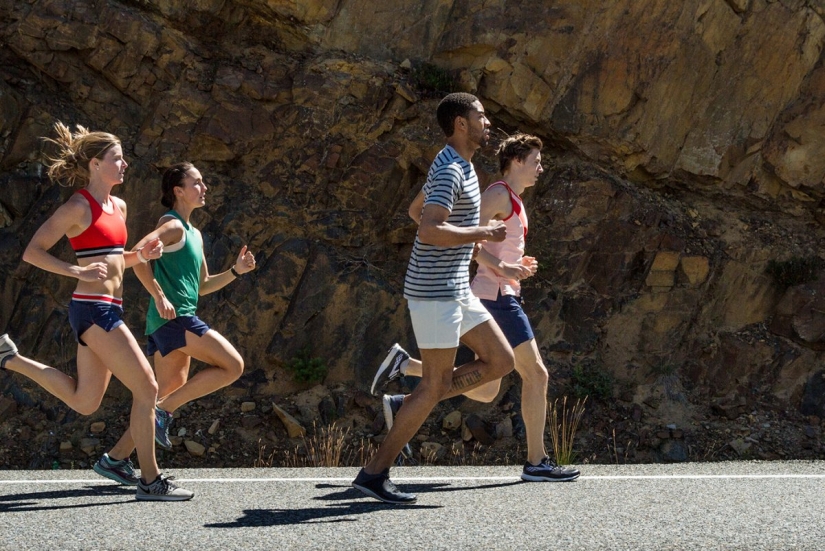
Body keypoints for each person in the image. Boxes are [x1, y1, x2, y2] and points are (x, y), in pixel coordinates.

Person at [0, 122, 193, 501]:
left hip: (108, 308)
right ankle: (150, 481)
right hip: (93, 310)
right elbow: (33, 251)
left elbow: (111, 257)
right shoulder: (77, 206)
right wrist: (77, 271)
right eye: (117, 159)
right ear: (94, 164)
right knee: (148, 387)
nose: (124, 165)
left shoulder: (118, 206)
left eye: (123, 159)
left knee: (85, 401)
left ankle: (10, 359)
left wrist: (141, 255)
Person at [372, 134, 580, 482]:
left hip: (501, 294)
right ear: (516, 161)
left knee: (485, 389)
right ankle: (537, 461)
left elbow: (491, 247)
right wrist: (505, 270)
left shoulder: (513, 199)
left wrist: (516, 266)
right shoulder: (498, 194)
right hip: (494, 297)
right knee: (537, 374)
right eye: (535, 161)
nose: (541, 168)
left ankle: (404, 379)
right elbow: (468, 238)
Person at [352, 93, 516, 504]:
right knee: (435, 384)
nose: (488, 121)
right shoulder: (450, 169)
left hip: (455, 287)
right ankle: (373, 474)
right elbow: (427, 228)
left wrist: (467, 246)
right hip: (435, 291)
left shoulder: (458, 166)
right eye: (481, 115)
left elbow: (416, 211)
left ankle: (406, 401)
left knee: (501, 361)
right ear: (461, 123)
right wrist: (481, 234)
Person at [93, 162, 255, 481]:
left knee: (162, 394)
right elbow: (138, 255)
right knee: (233, 366)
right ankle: (164, 414)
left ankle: (115, 459)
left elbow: (203, 284)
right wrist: (158, 295)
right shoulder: (172, 226)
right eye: (196, 182)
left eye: (203, 182)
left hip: (173, 319)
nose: (204, 187)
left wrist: (236, 271)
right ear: (178, 191)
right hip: (175, 319)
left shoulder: (193, 233)